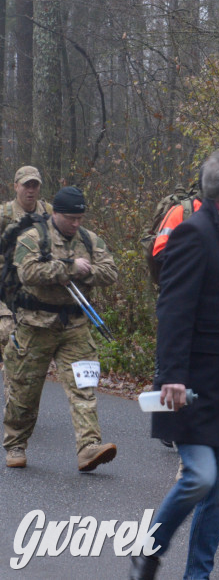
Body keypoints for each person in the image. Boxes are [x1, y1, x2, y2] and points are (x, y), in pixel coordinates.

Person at [129, 150, 219, 580]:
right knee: (201, 478)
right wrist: (171, 375)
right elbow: (173, 308)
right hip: (190, 384)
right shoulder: (194, 233)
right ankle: (147, 548)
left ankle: (197, 576)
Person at [2, 186, 118, 471]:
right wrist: (67, 268)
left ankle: (88, 447)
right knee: (25, 391)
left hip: (75, 326)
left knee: (83, 386)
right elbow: (27, 271)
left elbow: (110, 271)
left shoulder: (89, 240)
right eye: (70, 218)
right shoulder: (33, 237)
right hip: (35, 325)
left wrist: (87, 270)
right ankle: (16, 443)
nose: (76, 224)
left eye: (80, 218)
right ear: (56, 214)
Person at [0, 166, 53, 341]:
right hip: (7, 281)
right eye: (26, 185)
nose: (31, 190)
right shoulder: (4, 215)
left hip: (39, 279)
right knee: (7, 331)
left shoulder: (49, 212)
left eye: (34, 185)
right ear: (16, 186)